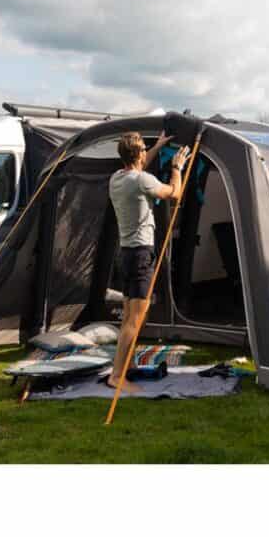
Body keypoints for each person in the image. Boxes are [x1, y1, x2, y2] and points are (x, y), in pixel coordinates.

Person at [107, 131, 189, 392]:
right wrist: (177, 168)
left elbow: (139, 168)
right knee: (135, 320)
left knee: (128, 317)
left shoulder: (117, 178)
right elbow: (175, 193)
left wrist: (157, 146)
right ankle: (117, 376)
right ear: (139, 154)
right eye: (145, 149)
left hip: (127, 254)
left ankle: (126, 366)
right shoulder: (142, 180)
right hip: (141, 254)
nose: (146, 153)